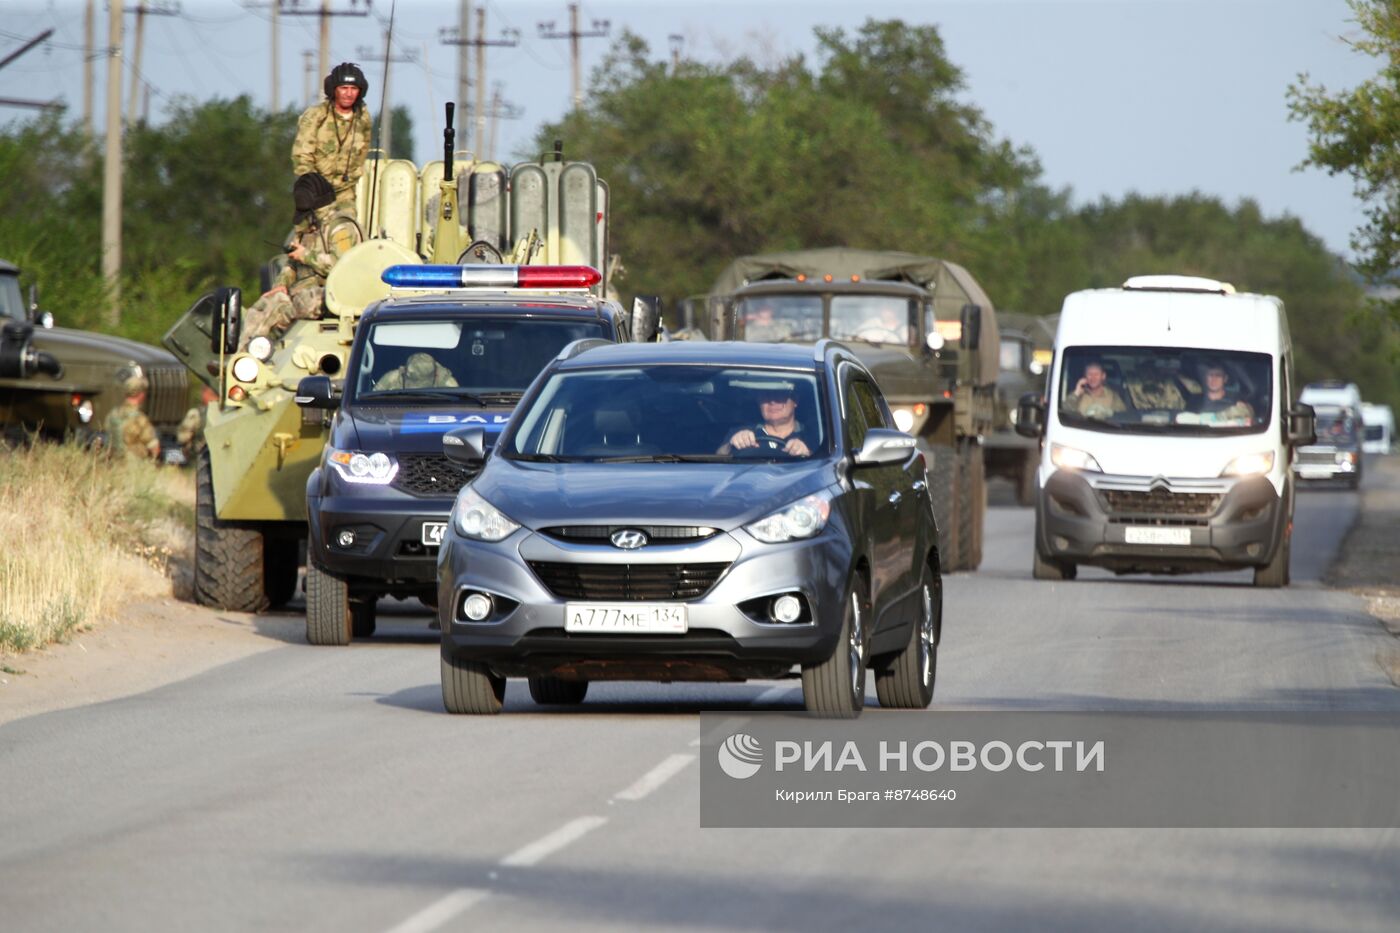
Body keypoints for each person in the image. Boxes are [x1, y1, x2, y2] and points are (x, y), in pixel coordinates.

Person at [239, 173, 362, 351]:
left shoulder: (341, 227)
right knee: (264, 305)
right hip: (306, 294)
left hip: (332, 297)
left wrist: (306, 256)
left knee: (288, 306)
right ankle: (242, 355)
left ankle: (256, 349)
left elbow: (343, 267)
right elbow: (291, 264)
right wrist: (281, 284)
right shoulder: (309, 229)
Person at [292, 62, 372, 217]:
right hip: (316, 190)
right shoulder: (316, 116)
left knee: (348, 229)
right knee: (314, 233)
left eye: (353, 89)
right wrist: (311, 186)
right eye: (343, 88)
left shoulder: (363, 119)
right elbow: (301, 156)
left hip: (345, 190)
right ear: (333, 89)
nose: (348, 94)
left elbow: (363, 152)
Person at [718, 384, 814, 457]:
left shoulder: (814, 435)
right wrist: (731, 445)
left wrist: (807, 454)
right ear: (758, 401)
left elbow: (825, 463)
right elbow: (718, 458)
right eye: (766, 395)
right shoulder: (739, 432)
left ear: (795, 401)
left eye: (780, 394)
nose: (772, 401)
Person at [104, 365, 160, 461]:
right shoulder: (140, 419)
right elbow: (155, 448)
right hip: (133, 469)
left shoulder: (112, 414)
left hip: (113, 466)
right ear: (141, 394)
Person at [176, 385, 219, 461]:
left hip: (200, 458)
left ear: (205, 394)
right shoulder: (227, 412)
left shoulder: (195, 414)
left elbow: (182, 437)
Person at [374, 352, 459, 390]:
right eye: (408, 369)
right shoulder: (392, 379)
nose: (409, 371)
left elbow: (459, 404)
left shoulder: (446, 382)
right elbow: (372, 400)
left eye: (416, 371)